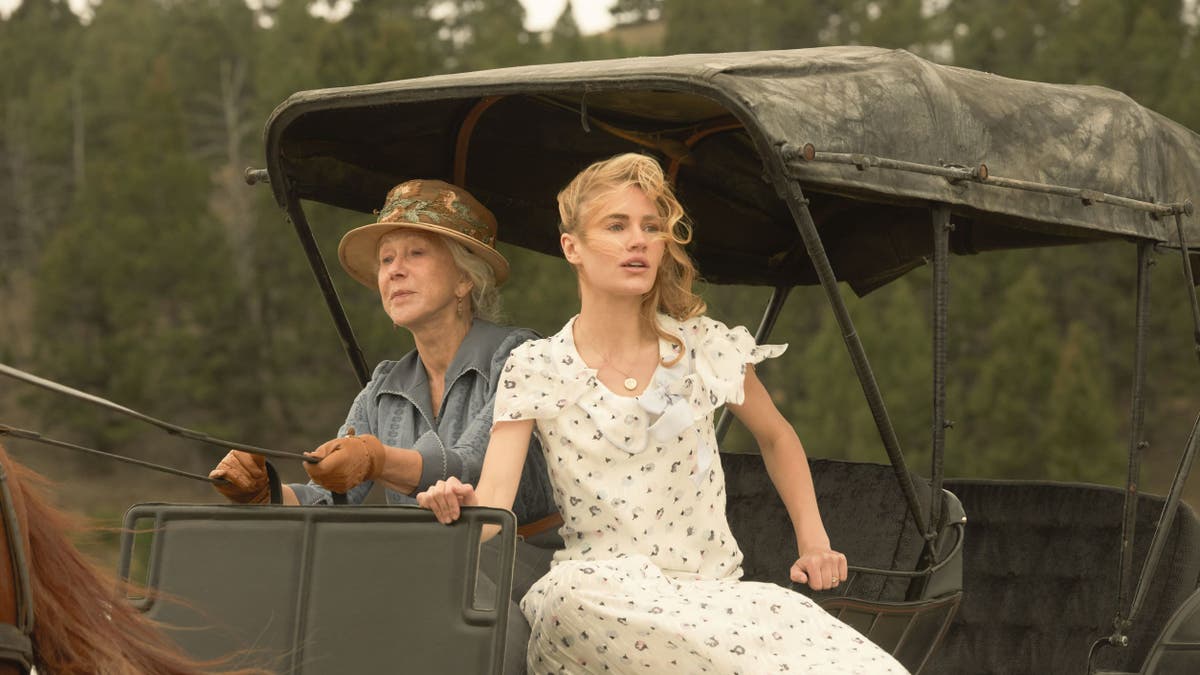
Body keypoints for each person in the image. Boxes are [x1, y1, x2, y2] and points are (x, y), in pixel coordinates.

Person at [418, 154, 908, 673]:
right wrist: (457, 504)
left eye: (651, 227)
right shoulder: (536, 365)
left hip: (712, 597)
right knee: (567, 605)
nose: (639, 241)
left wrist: (814, 544)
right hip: (597, 595)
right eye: (617, 225)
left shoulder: (703, 347)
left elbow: (777, 436)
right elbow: (495, 503)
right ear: (572, 247)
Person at [208, 179, 559, 674]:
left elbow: (475, 466)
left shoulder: (518, 357)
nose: (394, 270)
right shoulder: (382, 387)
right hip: (422, 573)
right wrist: (264, 491)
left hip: (520, 570)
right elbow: (330, 496)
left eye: (415, 253)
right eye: (386, 259)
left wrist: (378, 458)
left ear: (465, 280)